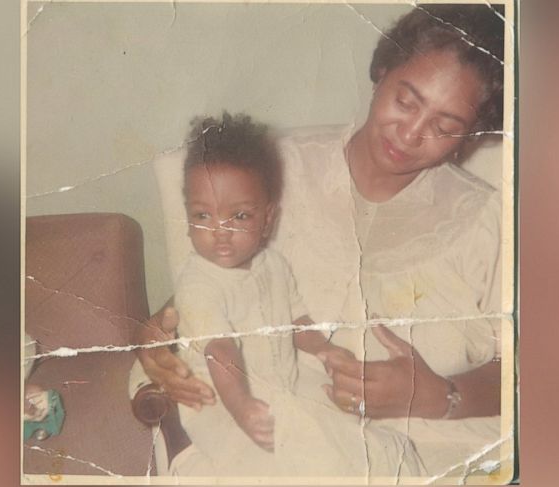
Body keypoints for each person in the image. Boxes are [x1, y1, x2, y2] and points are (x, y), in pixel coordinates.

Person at [137, 4, 507, 476]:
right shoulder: (277, 171)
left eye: (444, 126)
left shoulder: (489, 220)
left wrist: (440, 395)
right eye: (407, 101)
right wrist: (149, 337)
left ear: (469, 137)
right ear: (381, 72)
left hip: (440, 450)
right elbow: (215, 281)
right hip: (281, 439)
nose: (410, 133)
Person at [171, 112, 423, 476]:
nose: (220, 231)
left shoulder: (272, 264)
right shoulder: (198, 284)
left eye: (239, 216)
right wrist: (242, 407)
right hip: (224, 404)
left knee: (354, 446)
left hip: (283, 382)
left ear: (267, 219)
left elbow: (296, 319)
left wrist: (323, 347)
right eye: (203, 215)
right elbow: (219, 350)